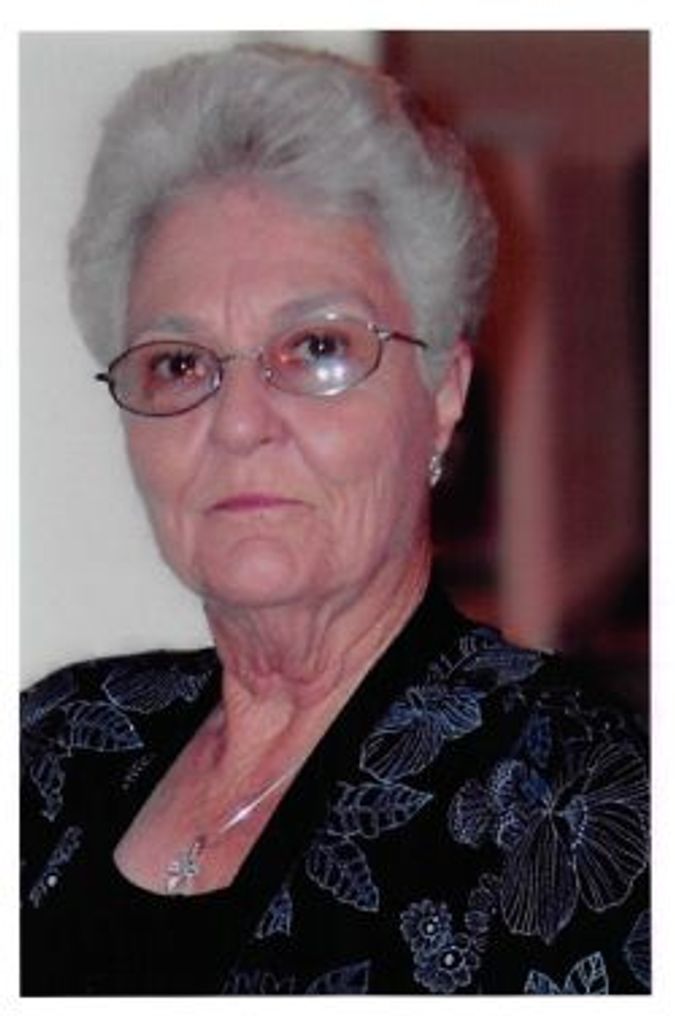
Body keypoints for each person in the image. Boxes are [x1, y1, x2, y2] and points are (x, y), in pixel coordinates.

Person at [20, 43, 649, 996]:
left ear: (443, 393)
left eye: (315, 347)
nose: (238, 424)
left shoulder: (576, 794)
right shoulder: (57, 746)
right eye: (179, 363)